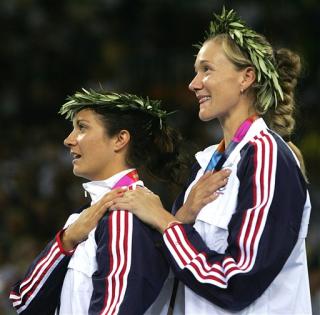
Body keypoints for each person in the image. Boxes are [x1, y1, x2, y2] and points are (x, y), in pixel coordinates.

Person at [111, 7, 312, 314]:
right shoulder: (207, 163)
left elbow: (237, 281)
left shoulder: (267, 157)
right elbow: (177, 271)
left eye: (207, 69)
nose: (193, 83)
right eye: (196, 71)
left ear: (246, 77)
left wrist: (165, 222)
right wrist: (181, 218)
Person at [9, 88, 230, 315]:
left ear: (120, 139)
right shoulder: (82, 220)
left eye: (82, 127)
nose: (68, 140)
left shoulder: (124, 216)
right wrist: (66, 240)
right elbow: (24, 303)